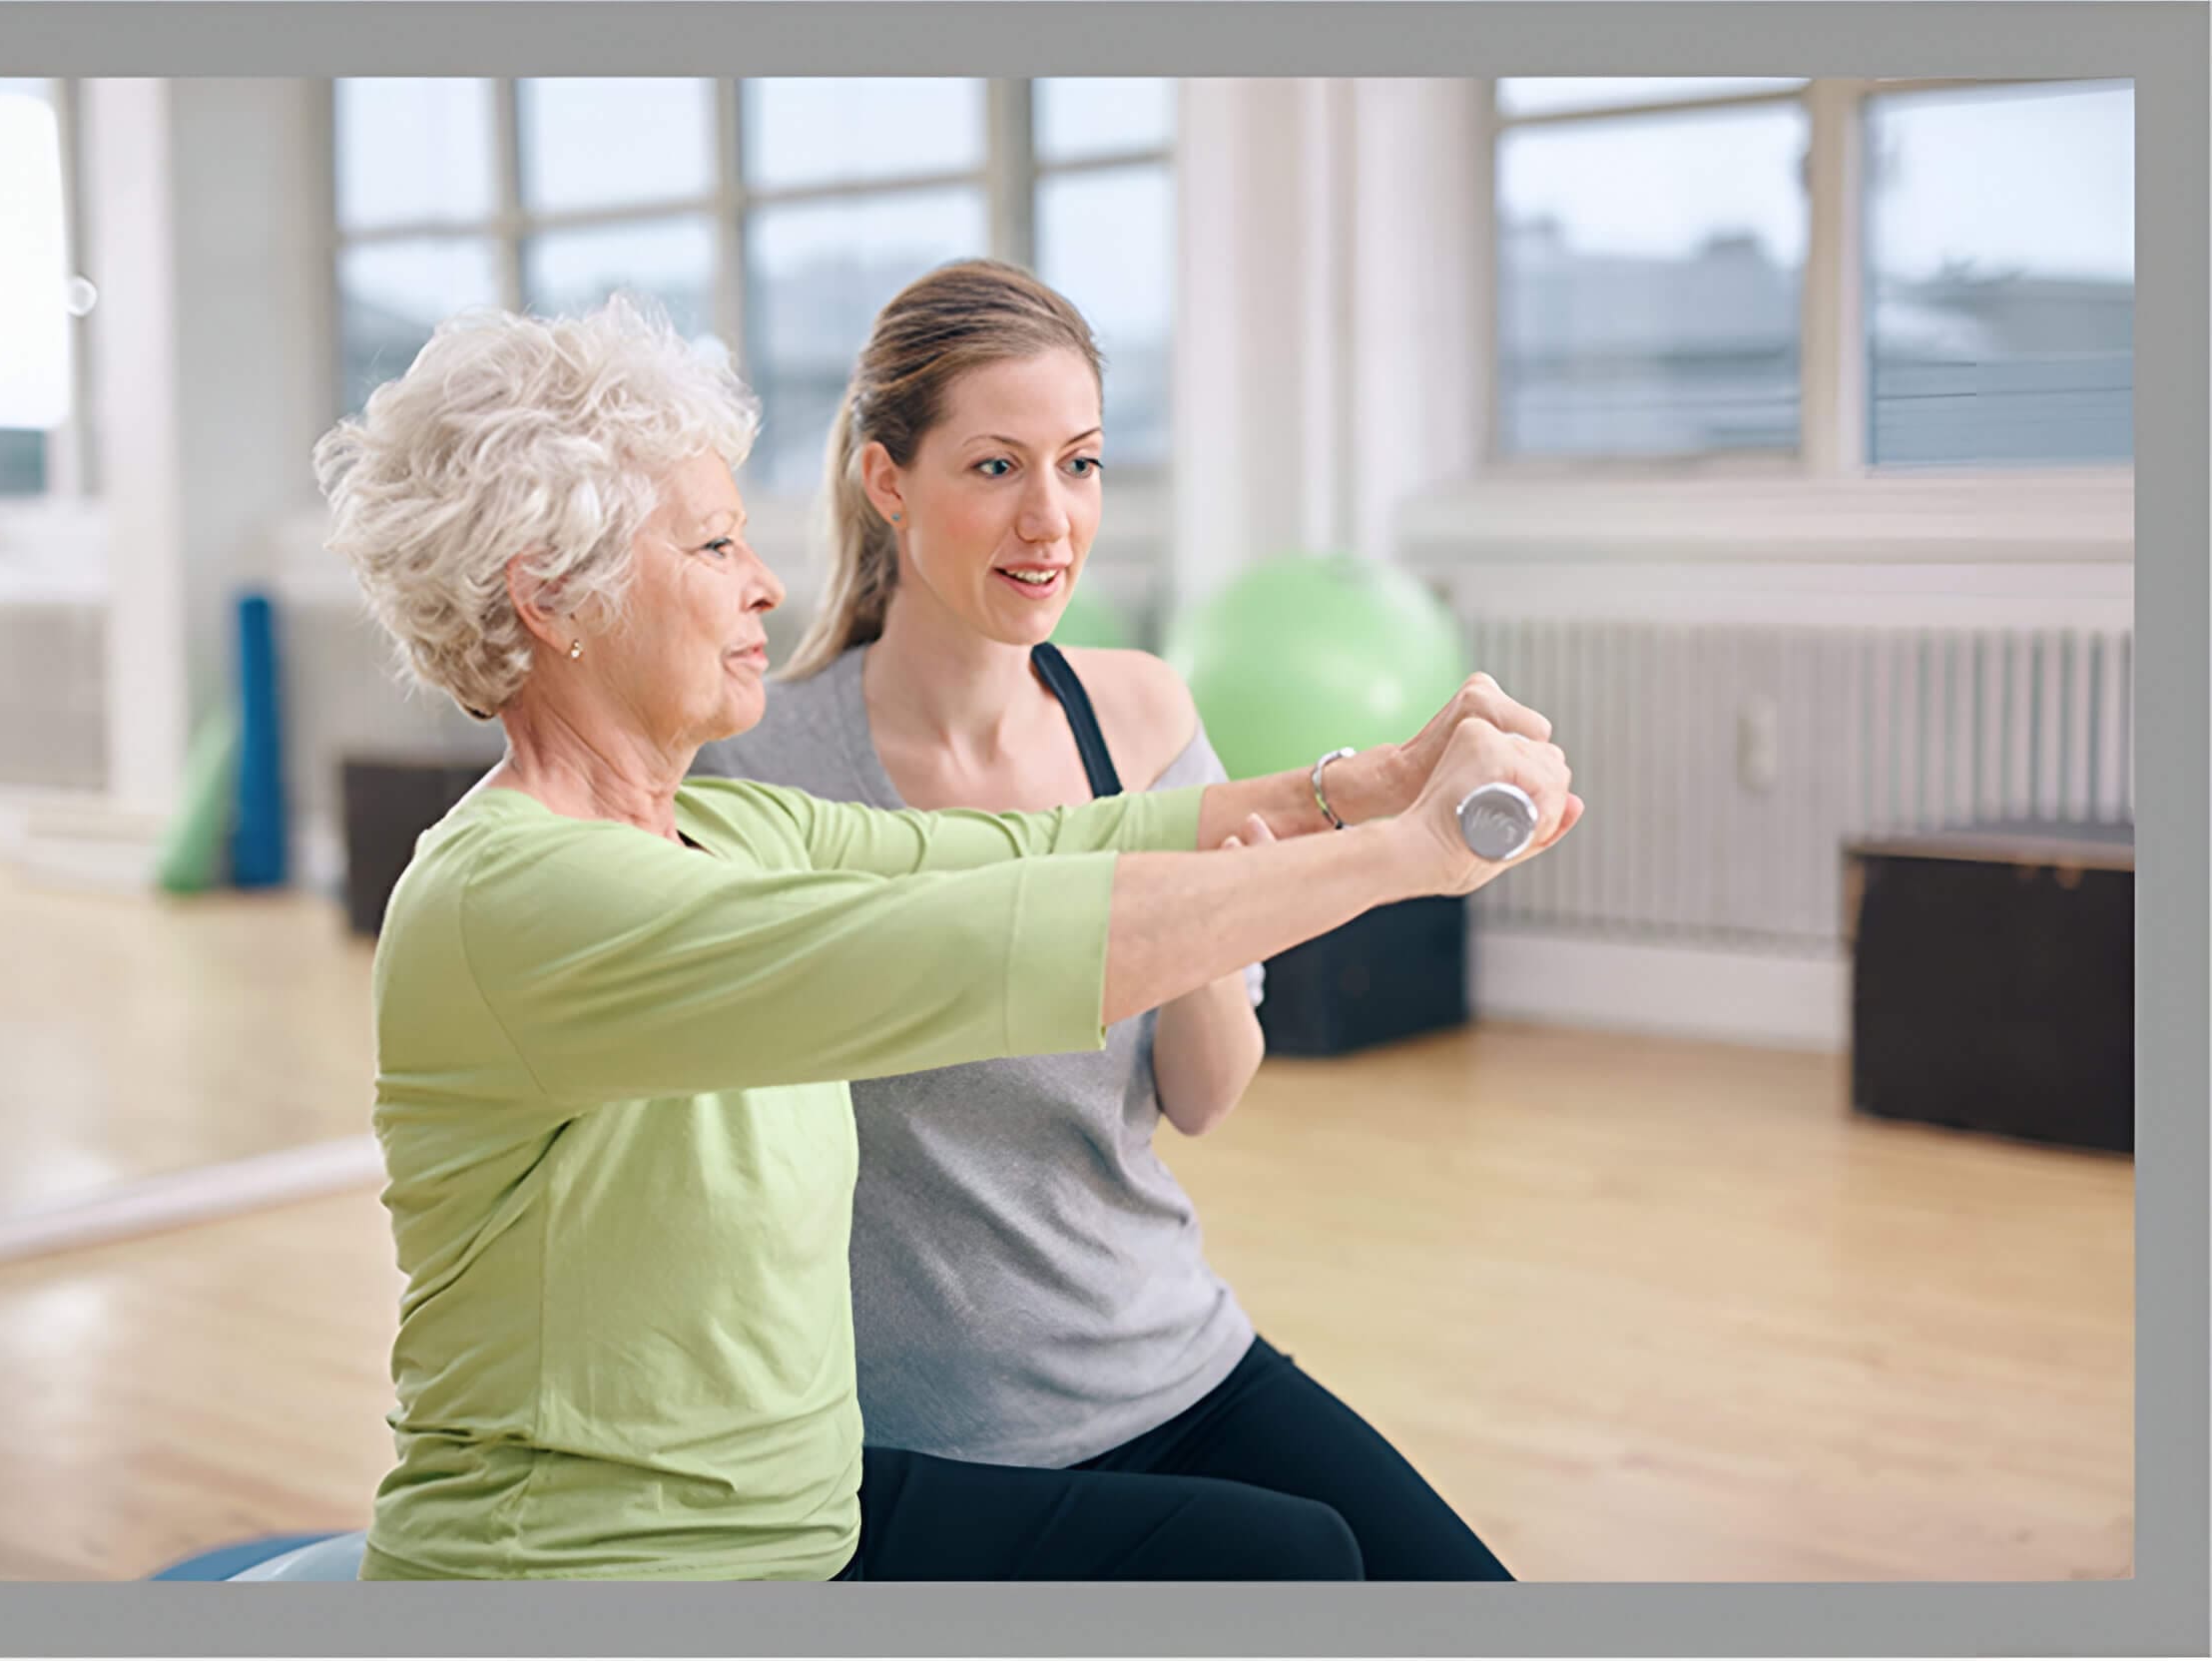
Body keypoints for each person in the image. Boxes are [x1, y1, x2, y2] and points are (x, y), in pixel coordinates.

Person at [311, 293, 1581, 1581]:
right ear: (553, 596)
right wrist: (1413, 856)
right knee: (1284, 1567)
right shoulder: (531, 899)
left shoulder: (728, 828)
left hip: (806, 1513)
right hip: (606, 1564)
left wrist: (1356, 789)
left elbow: (1040, 850)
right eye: (710, 547)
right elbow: (985, 945)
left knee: (1312, 1554)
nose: (763, 582)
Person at [697, 260, 1551, 1580]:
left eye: (1081, 464)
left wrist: (1209, 927)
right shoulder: (763, 764)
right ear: (888, 482)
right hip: (928, 1442)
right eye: (994, 467)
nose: (1051, 517)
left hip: (1170, 1358)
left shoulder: (1137, 716)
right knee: (1299, 1569)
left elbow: (1207, 1099)